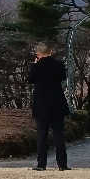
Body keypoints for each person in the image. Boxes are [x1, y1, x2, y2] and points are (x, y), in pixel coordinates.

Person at [28, 42, 71, 171]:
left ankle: (41, 164)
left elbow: (30, 80)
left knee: (42, 135)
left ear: (38, 53)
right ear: (50, 52)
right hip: (57, 103)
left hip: (41, 105)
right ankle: (62, 164)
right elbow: (63, 77)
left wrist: (35, 65)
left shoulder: (36, 66)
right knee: (59, 134)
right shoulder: (58, 64)